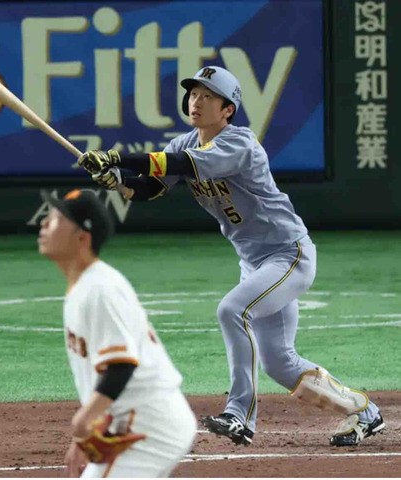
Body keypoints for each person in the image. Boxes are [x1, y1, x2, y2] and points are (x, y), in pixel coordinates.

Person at [76, 66, 385, 448]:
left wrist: (115, 157)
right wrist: (117, 180)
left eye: (208, 96)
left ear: (228, 109)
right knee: (280, 363)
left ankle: (239, 416)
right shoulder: (185, 142)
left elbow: (180, 165)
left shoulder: (240, 143)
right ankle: (364, 411)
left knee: (232, 310)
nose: (196, 101)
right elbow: (148, 188)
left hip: (288, 254)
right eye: (193, 94)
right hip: (254, 263)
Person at [38, 189, 197, 477]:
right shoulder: (86, 285)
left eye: (57, 219)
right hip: (136, 422)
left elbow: (121, 365)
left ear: (82, 238)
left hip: (148, 426)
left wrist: (82, 422)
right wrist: (85, 431)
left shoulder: (99, 289)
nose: (45, 224)